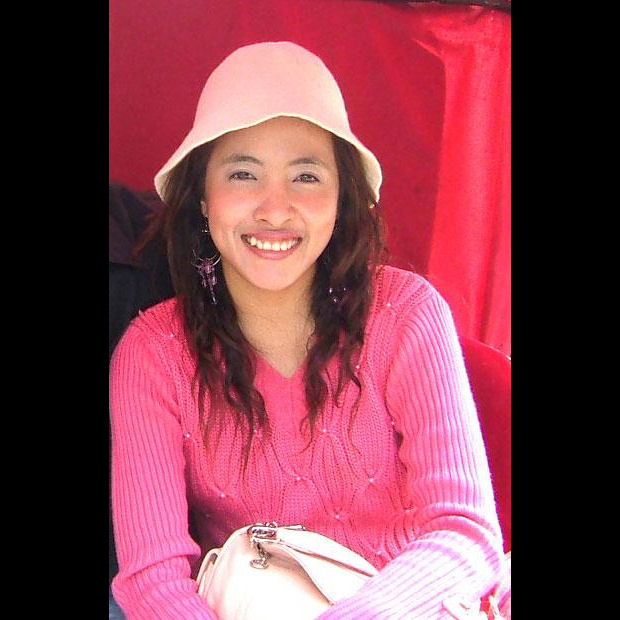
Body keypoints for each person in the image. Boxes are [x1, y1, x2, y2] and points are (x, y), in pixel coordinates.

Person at [109, 41, 510, 618]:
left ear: (342, 197)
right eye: (243, 173)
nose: (275, 210)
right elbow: (151, 578)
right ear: (201, 198)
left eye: (306, 176)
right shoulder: (152, 352)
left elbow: (464, 531)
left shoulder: (408, 313)